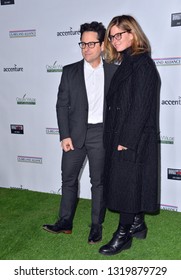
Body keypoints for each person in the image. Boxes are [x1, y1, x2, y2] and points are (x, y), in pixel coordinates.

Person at [43, 21, 118, 244]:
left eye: (91, 43)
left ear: (103, 44)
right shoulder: (69, 71)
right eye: (82, 44)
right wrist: (64, 135)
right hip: (74, 135)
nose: (86, 48)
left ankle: (96, 226)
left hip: (101, 133)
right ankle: (65, 222)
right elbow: (61, 105)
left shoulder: (114, 72)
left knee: (98, 182)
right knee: (68, 179)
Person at [99, 15, 161, 255]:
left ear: (132, 34)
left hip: (133, 138)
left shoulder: (142, 64)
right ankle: (137, 223)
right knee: (128, 183)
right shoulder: (127, 62)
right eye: (112, 36)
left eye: (119, 35)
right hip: (121, 135)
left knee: (126, 186)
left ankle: (123, 233)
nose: (114, 40)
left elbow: (140, 107)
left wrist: (126, 141)